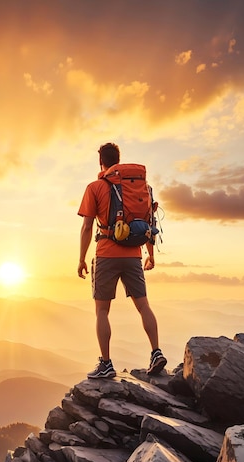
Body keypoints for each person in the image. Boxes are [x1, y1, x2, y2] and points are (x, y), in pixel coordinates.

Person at [77, 142, 167, 379]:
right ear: (119, 160)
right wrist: (150, 255)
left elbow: (87, 227)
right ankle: (156, 352)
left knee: (102, 311)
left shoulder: (95, 187)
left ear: (101, 162)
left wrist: (81, 259)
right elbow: (148, 224)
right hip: (134, 255)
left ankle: (106, 364)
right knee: (143, 305)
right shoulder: (142, 188)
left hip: (106, 253)